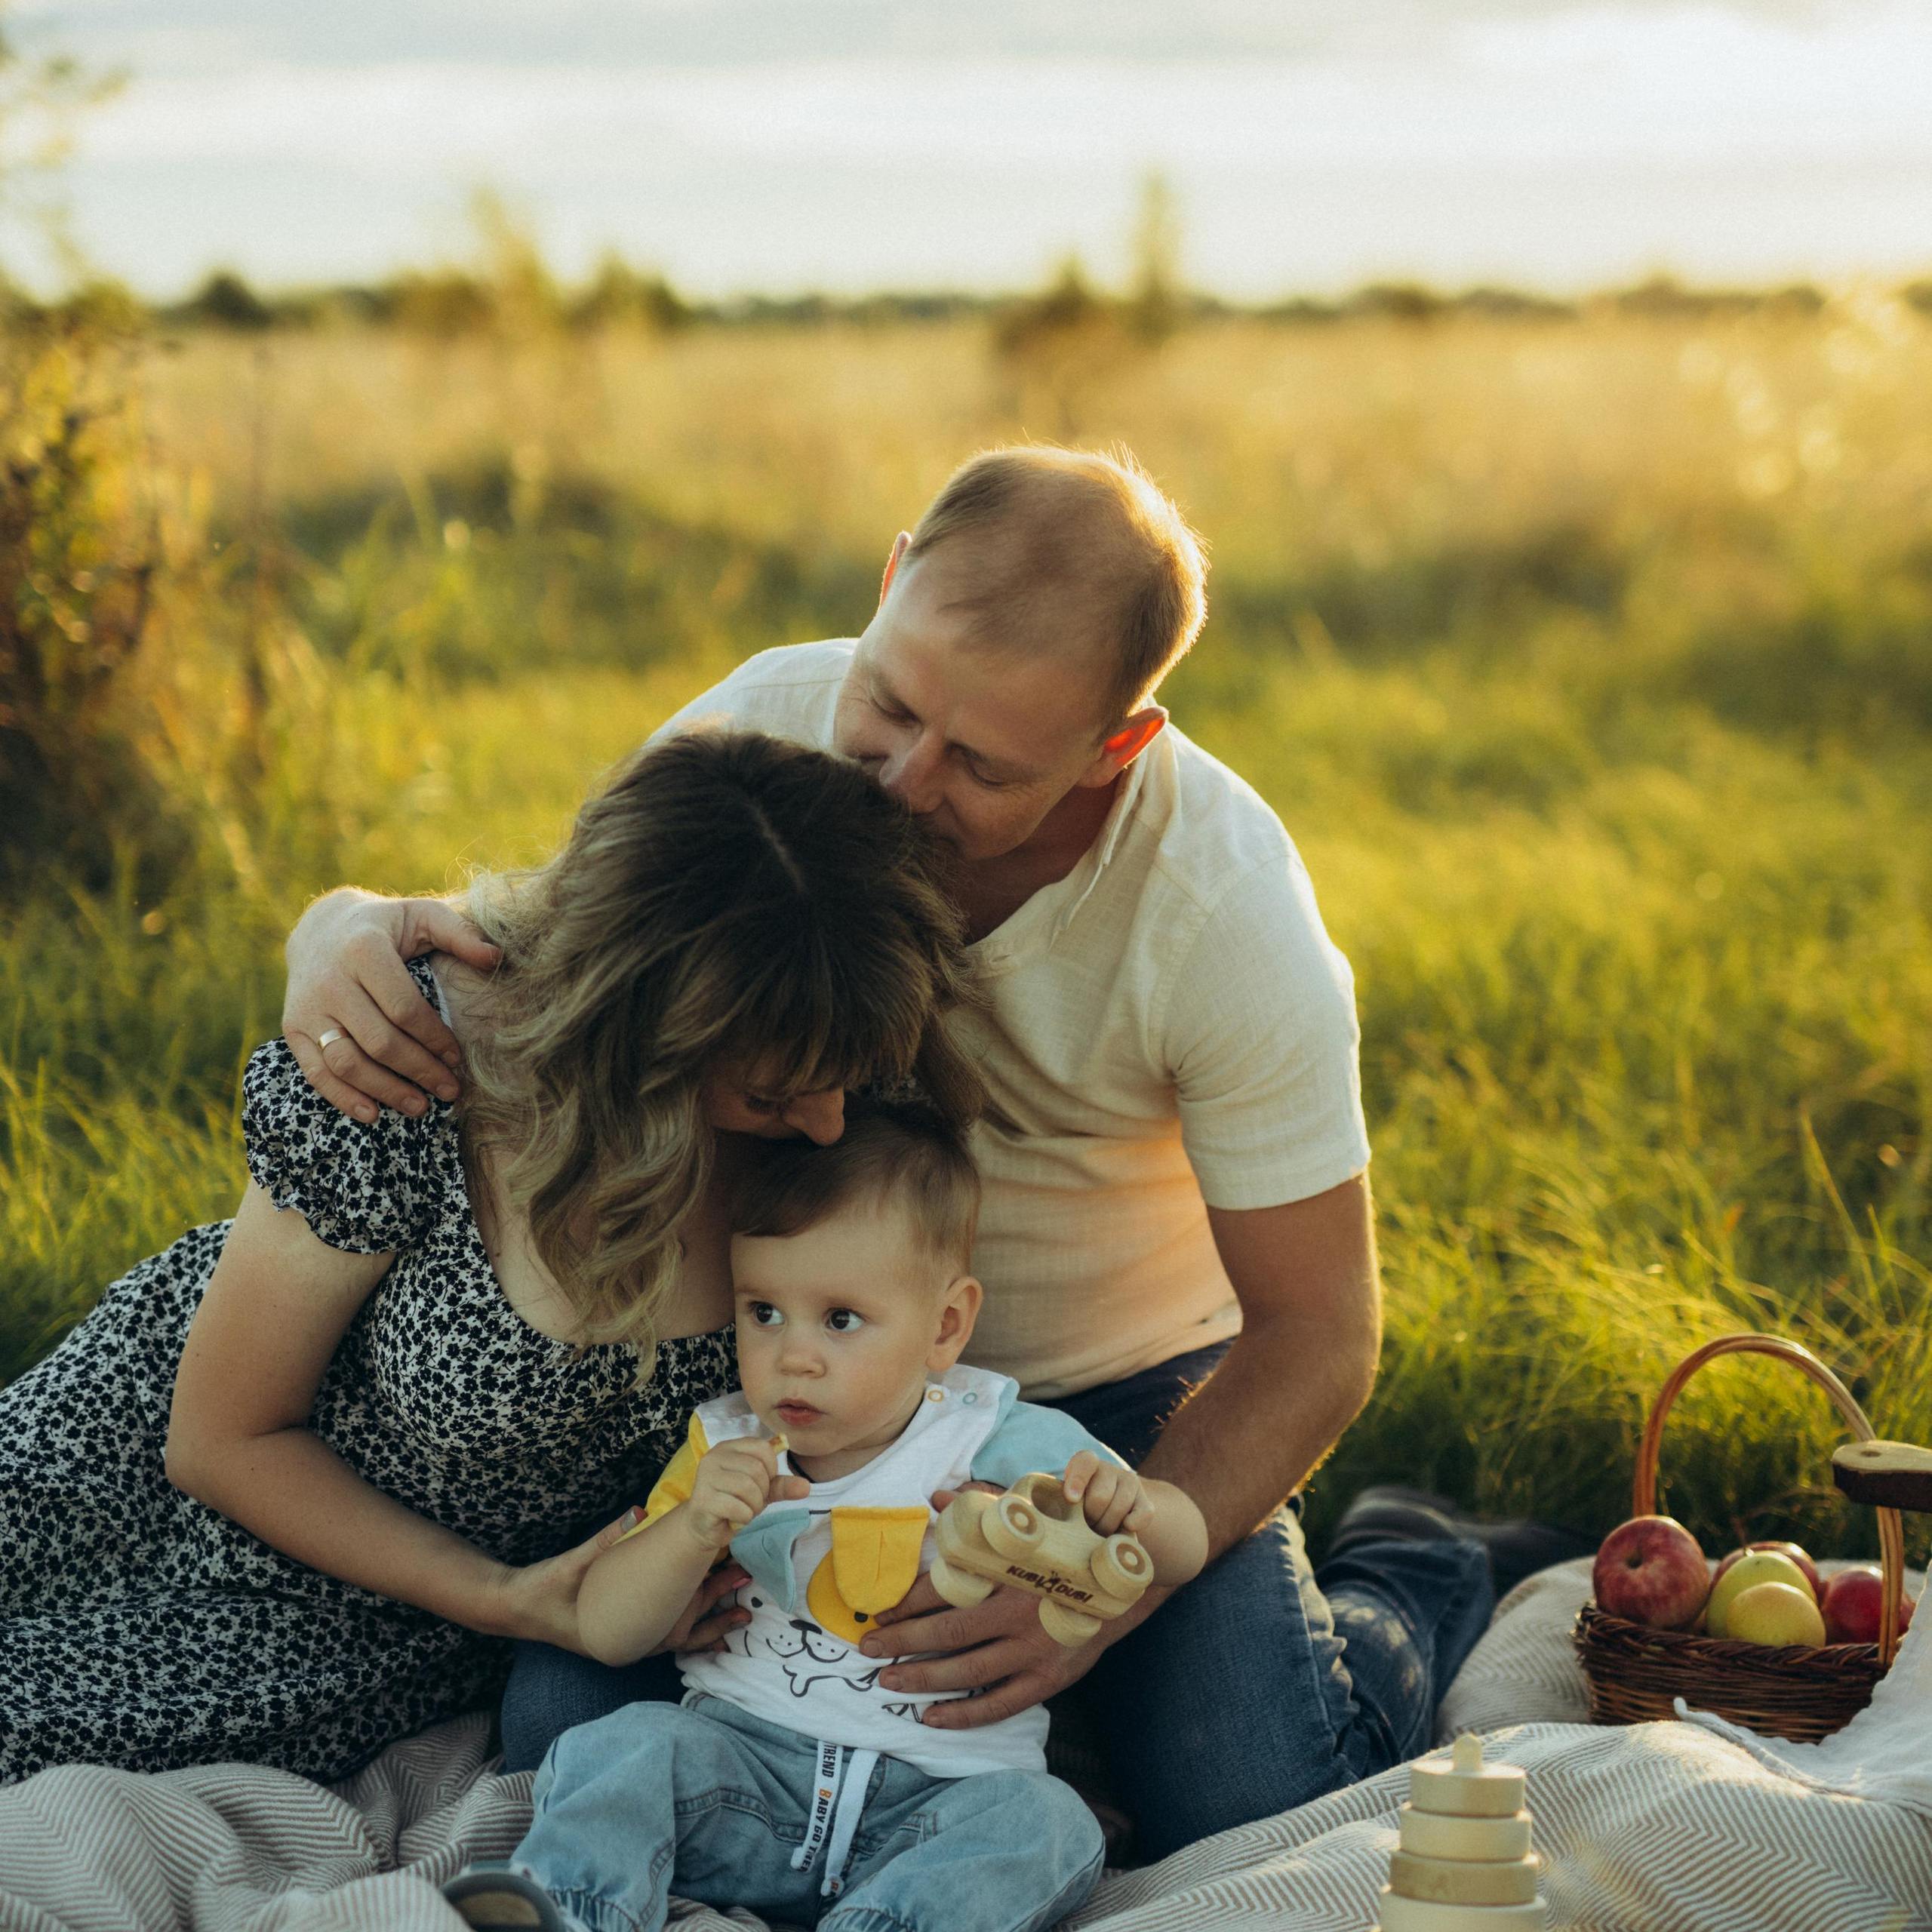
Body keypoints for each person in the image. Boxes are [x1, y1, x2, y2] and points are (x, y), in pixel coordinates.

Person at [283, 446, 1580, 1854]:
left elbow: (1321, 1330)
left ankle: (1417, 1568)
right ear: (891, 579)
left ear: (1114, 746)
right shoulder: (762, 726)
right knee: (561, 1740)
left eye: (982, 765)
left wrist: (1119, 1581)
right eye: (891, 702)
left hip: (1113, 1415)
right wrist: (345, 918)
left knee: (1247, 1795)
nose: (900, 784)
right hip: (784, 1369)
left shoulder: (1225, 915)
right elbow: (582, 959)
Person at [0, 730, 980, 1785]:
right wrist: (509, 1600)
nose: (833, 1125)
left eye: (843, 1080)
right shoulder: (421, 1064)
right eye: (776, 1093)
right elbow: (223, 1439)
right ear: (637, 1037)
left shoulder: (830, 1056)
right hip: (198, 1509)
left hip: (434, 1635)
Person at [442, 1103, 1207, 1932]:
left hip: (936, 1801)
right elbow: (610, 1629)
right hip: (742, 1778)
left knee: (1048, 1825)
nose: (792, 1354)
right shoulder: (729, 1445)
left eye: (841, 1319)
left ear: (944, 1325)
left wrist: (1135, 1509)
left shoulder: (991, 1433)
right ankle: (570, 1904)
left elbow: (1183, 1548)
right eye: (763, 1311)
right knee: (617, 1744)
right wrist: (692, 1527)